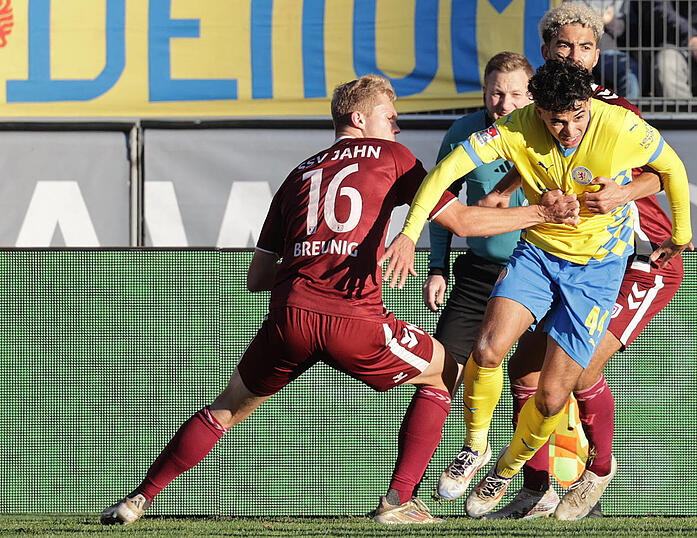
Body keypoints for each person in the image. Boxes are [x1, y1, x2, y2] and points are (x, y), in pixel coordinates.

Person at [99, 74, 580, 527]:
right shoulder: (394, 158)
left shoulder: (297, 175)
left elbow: (256, 277)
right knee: (446, 372)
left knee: (227, 406)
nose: (397, 125)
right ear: (358, 120)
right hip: (354, 318)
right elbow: (464, 223)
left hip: (290, 315)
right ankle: (398, 501)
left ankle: (139, 498)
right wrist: (539, 212)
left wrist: (315, 258)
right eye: (389, 115)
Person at [382, 59, 692, 519]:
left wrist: (677, 233)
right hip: (538, 255)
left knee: (551, 395)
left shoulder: (621, 125)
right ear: (538, 112)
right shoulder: (514, 128)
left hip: (597, 271)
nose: (568, 131)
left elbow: (671, 168)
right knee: (487, 350)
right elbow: (444, 172)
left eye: (577, 118)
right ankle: (475, 448)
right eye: (556, 122)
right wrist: (410, 232)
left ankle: (505, 474)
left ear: (589, 104)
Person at [472, 2, 694, 521]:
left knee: (580, 367)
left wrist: (622, 195)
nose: (577, 54)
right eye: (565, 46)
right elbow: (543, 160)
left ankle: (600, 470)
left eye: (587, 46)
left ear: (598, 53)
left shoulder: (613, 111)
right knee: (524, 367)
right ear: (545, 51)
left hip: (642, 259)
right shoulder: (542, 109)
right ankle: (535, 487)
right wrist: (507, 188)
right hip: (570, 258)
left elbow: (659, 173)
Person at [423, 52, 534, 378]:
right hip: (480, 274)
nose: (504, 103)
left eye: (515, 94)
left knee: (535, 380)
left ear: (531, 95)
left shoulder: (551, 131)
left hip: (538, 271)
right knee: (440, 373)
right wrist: (438, 268)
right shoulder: (463, 133)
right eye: (497, 93)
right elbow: (440, 200)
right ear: (485, 93)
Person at [579, 1, 642, 100]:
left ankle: (626, 111)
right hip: (582, 51)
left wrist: (610, 21)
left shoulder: (623, 3)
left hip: (612, 52)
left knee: (630, 76)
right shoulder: (577, 2)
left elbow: (630, 30)